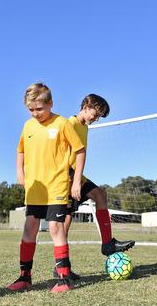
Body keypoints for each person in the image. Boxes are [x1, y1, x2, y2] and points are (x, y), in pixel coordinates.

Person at [7, 82, 86, 293]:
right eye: (31, 109)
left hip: (57, 185)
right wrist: (20, 172)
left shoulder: (61, 123)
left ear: (50, 103)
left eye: (39, 109)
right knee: (29, 228)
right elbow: (20, 150)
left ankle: (64, 278)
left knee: (55, 228)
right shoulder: (28, 126)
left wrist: (76, 180)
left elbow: (79, 150)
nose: (35, 114)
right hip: (35, 187)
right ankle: (25, 277)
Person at [59, 94, 136, 280]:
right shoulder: (70, 124)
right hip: (65, 176)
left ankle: (107, 244)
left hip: (76, 175)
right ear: (86, 106)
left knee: (100, 195)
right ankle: (62, 267)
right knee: (66, 221)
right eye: (96, 113)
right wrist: (73, 181)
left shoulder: (84, 127)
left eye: (100, 116)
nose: (97, 118)